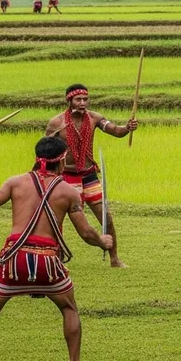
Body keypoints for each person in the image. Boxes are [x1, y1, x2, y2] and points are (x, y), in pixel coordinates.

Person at [0, 136, 113, 361]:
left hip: (14, 260)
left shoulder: (15, 183)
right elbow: (86, 232)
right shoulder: (68, 192)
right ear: (61, 161)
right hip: (47, 262)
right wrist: (103, 242)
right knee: (69, 307)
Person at [45, 84, 137, 268]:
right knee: (57, 220)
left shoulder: (95, 118)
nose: (82, 103)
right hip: (67, 177)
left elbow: (115, 130)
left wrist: (127, 128)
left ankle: (114, 258)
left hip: (89, 176)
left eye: (85, 99)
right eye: (78, 99)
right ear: (69, 101)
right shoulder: (57, 123)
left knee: (106, 217)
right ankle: (56, 259)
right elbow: (45, 150)